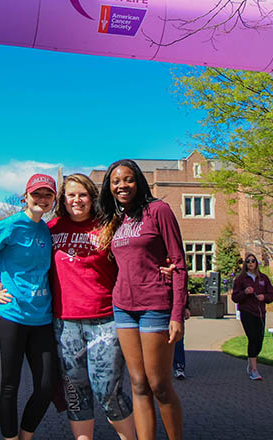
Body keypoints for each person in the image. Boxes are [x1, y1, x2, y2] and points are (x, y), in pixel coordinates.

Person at [98, 159, 187, 440]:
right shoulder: (115, 220)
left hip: (155, 306)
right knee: (137, 383)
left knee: (159, 384)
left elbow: (180, 264)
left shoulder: (158, 210)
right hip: (123, 307)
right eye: (115, 181)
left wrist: (177, 314)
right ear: (109, 187)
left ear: (139, 181)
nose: (122, 185)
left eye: (128, 179)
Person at [0, 174, 58, 440]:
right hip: (11, 317)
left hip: (41, 319)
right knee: (9, 386)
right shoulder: (10, 226)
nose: (42, 199)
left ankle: (25, 436)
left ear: (53, 199)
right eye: (36, 194)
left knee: (46, 386)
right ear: (25, 197)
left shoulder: (47, 229)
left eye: (47, 195)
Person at [48, 173, 136, 440]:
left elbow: (136, 255)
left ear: (92, 198)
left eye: (83, 195)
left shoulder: (109, 225)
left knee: (106, 388)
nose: (77, 200)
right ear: (63, 199)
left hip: (105, 320)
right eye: (71, 195)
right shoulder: (51, 227)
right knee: (74, 390)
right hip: (65, 323)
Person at [231, 253, 273, 381]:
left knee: (259, 340)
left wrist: (264, 297)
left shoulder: (263, 278)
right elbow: (235, 297)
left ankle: (251, 360)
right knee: (252, 338)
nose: (251, 263)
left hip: (260, 312)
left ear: (256, 263)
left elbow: (271, 294)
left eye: (253, 261)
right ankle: (254, 370)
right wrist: (245, 292)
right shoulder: (240, 279)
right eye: (248, 261)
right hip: (247, 312)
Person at [172, 299, 191, 380]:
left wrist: (186, 307)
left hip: (176, 308)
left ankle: (179, 367)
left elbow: (182, 290)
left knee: (178, 339)